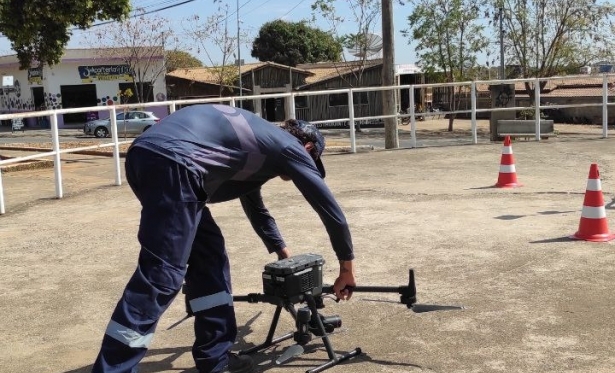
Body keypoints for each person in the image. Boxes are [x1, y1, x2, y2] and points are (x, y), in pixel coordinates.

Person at [92, 104, 357, 373]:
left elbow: (257, 211)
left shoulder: (259, 151)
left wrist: (283, 254)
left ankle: (215, 359)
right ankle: (114, 369)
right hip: (176, 161)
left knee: (210, 257)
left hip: (149, 157)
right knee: (162, 274)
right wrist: (347, 268)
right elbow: (331, 211)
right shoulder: (290, 147)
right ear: (309, 148)